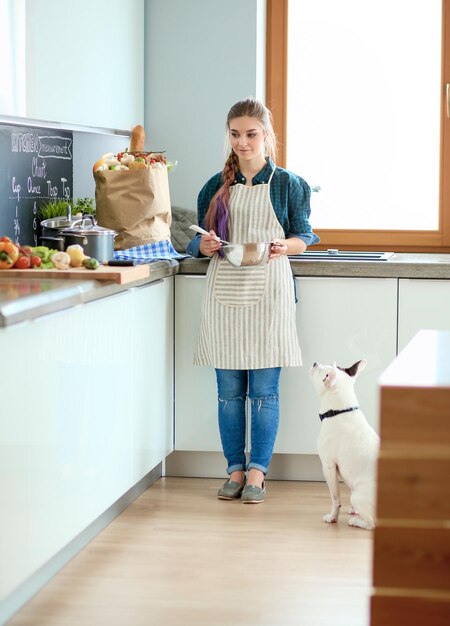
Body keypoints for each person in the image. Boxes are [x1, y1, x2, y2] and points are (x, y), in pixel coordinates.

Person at [186, 98, 319, 503]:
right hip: (224, 292)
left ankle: (258, 473)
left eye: (251, 134)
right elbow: (195, 240)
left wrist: (284, 246)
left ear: (267, 136)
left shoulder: (288, 184)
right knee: (228, 392)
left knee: (264, 391)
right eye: (235, 134)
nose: (243, 142)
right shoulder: (215, 186)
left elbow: (305, 235)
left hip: (271, 292)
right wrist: (203, 245)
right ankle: (234, 470)